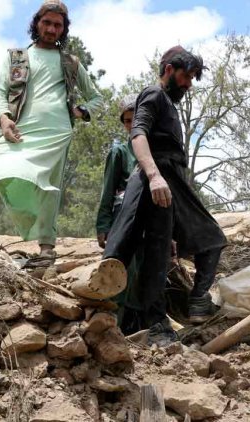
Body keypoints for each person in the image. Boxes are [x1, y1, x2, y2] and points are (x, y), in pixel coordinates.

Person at [0, 0, 104, 260]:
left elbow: (97, 98)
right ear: (36, 23)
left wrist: (80, 111)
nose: (51, 29)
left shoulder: (70, 62)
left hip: (56, 133)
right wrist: (3, 119)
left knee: (47, 187)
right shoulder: (17, 57)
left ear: (63, 29)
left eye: (58, 25)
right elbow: (0, 92)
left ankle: (47, 247)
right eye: (47, 22)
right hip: (20, 127)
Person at [100, 46, 227, 346]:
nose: (188, 84)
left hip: (169, 184)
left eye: (193, 79)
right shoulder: (154, 95)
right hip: (152, 179)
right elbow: (138, 134)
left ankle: (171, 316)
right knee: (122, 251)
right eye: (186, 76)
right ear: (168, 69)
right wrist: (154, 175)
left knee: (169, 251)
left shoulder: (169, 104)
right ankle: (112, 319)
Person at [95, 94, 143, 334]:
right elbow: (108, 190)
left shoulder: (155, 152)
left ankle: (139, 329)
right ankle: (116, 329)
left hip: (148, 219)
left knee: (144, 273)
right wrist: (103, 225)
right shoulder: (119, 153)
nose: (131, 125)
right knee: (125, 268)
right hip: (122, 217)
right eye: (126, 121)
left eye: (136, 119)